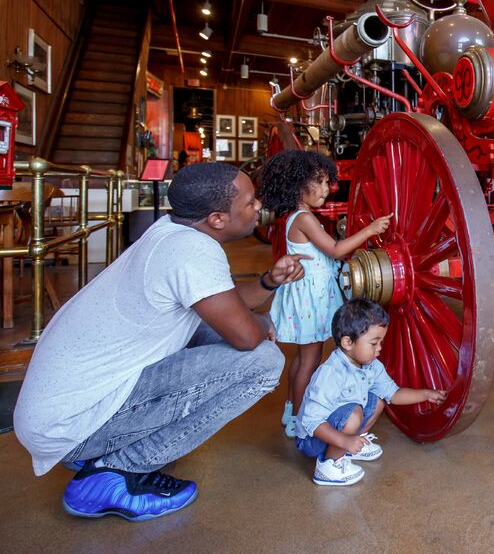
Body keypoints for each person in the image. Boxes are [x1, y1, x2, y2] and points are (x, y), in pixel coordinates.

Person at [14, 162, 308, 522]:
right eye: (249, 203)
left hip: (56, 413)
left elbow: (226, 308)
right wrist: (264, 325)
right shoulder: (193, 252)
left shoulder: (171, 230)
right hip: (69, 425)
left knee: (214, 330)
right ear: (217, 218)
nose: (258, 207)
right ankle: (116, 471)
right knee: (263, 362)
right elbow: (246, 336)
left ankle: (105, 450)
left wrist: (268, 282)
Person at [257, 150, 391, 438]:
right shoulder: (304, 218)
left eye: (327, 181)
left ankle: (291, 409)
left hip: (308, 296)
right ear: (297, 186)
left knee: (302, 358)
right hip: (312, 301)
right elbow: (334, 250)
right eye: (319, 181)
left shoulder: (297, 216)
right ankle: (301, 419)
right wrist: (370, 230)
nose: (327, 188)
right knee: (311, 359)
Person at [294, 298, 446, 486]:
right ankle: (329, 465)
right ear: (348, 343)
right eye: (374, 343)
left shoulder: (372, 366)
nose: (380, 349)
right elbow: (311, 421)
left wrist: (425, 394)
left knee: (379, 398)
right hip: (311, 439)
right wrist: (343, 440)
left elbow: (393, 394)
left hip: (337, 429)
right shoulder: (331, 373)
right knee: (353, 414)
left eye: (381, 342)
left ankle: (353, 445)